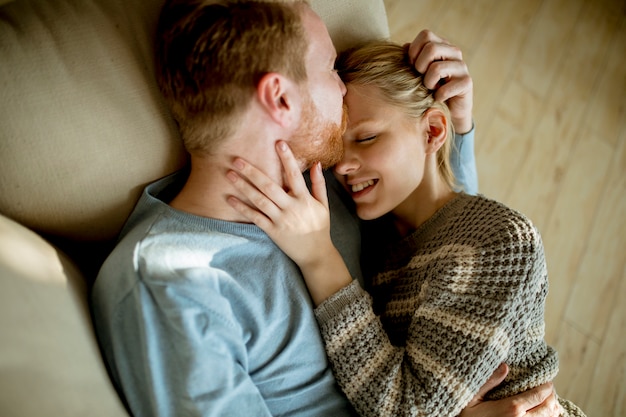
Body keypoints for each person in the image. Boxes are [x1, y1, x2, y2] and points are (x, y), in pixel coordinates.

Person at [91, 0, 560, 416]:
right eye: (331, 68)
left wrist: (452, 130)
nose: (343, 91)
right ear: (280, 97)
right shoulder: (170, 290)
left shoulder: (328, 180)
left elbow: (437, 246)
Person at [226, 40, 586, 417]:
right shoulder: (382, 240)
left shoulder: (499, 243)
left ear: (432, 132)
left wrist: (319, 258)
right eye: (334, 151)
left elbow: (405, 409)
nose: (342, 166)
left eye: (366, 138)